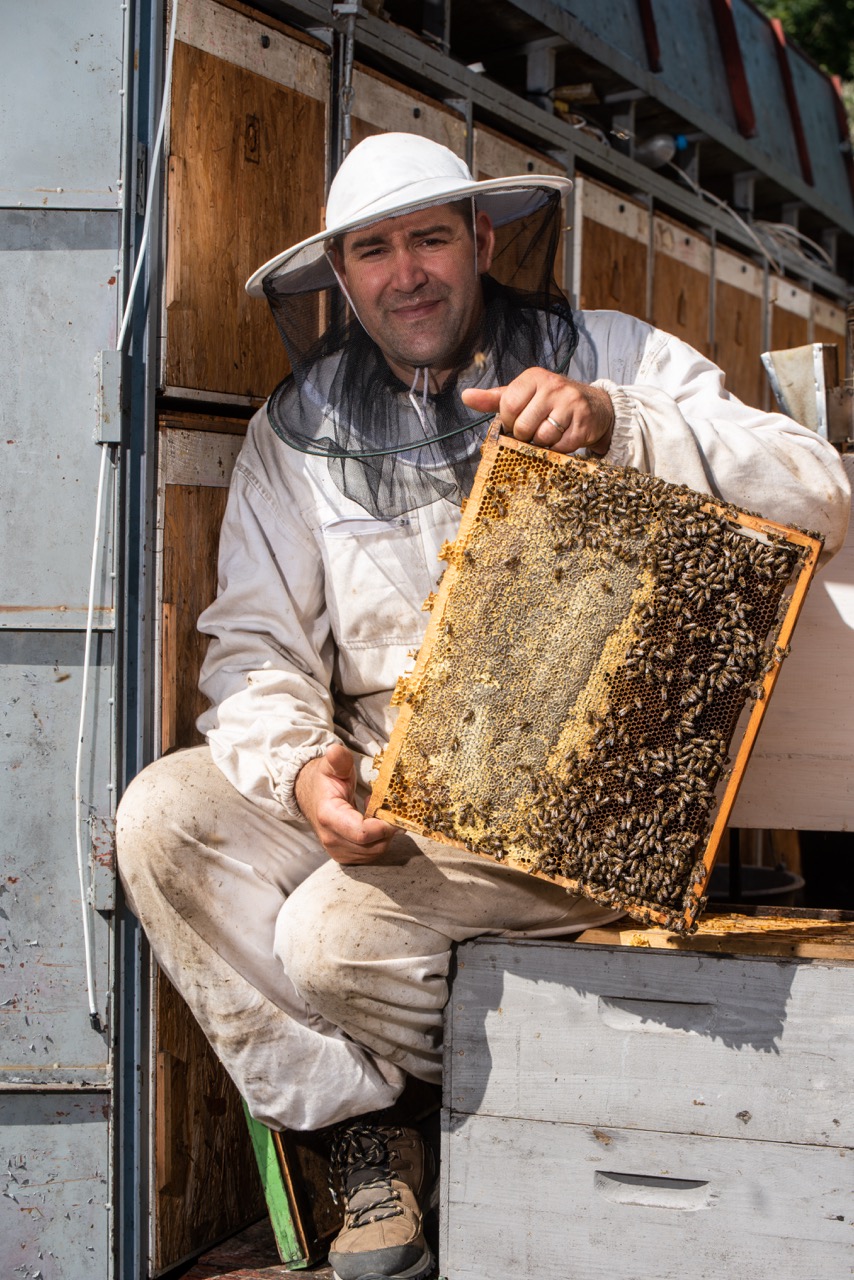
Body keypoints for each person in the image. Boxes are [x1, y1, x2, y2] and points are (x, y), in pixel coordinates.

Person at [117, 133, 850, 1280]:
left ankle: (482, 1114)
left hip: (580, 788)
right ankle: (366, 1128)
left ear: (482, 240)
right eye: (375, 249)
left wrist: (619, 421)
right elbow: (253, 648)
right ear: (341, 275)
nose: (406, 272)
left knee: (330, 938)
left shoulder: (609, 352)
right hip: (386, 762)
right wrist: (305, 767)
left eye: (429, 237)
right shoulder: (291, 437)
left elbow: (816, 484)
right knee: (163, 816)